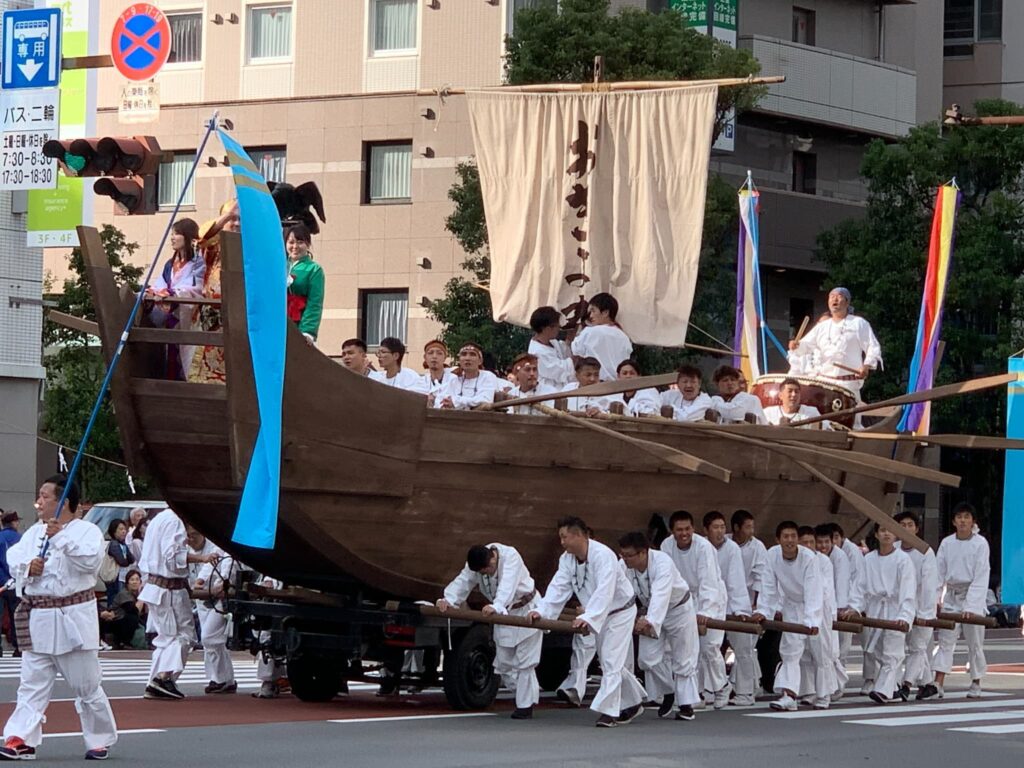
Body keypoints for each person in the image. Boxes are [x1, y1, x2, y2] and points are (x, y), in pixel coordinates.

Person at [0, 475, 117, 761]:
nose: (38, 502)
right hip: (39, 616)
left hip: (73, 618)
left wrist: (60, 537)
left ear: (62, 503)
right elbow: (14, 559)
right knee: (31, 683)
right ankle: (19, 738)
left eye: (44, 496)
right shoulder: (33, 532)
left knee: (86, 685)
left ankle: (99, 738)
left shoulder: (87, 531)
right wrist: (30, 567)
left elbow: (90, 562)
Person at [529, 516, 646, 728]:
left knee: (610, 660)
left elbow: (605, 590)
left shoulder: (603, 556)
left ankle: (609, 712)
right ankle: (634, 701)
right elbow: (559, 587)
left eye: (565, 537)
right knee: (610, 661)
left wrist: (589, 616)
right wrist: (542, 611)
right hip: (599, 612)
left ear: (579, 535)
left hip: (620, 611)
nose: (562, 542)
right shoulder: (566, 559)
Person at [437, 543, 542, 719]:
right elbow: (463, 581)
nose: (486, 572)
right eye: (482, 571)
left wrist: (497, 605)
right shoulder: (477, 565)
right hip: (502, 614)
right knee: (504, 663)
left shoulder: (510, 557)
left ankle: (525, 705)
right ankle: (527, 696)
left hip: (526, 609)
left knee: (525, 662)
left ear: (493, 557)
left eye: (489, 568)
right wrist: (448, 599)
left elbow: (507, 585)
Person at [619, 531, 700, 721]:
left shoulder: (662, 562)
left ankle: (686, 705)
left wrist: (650, 621)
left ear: (643, 553)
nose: (625, 559)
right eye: (623, 555)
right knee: (647, 659)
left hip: (678, 609)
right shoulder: (623, 565)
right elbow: (615, 588)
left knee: (683, 657)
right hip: (650, 611)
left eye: (629, 555)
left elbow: (661, 594)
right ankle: (668, 690)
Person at [139, 509, 217, 700]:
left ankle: (157, 681)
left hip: (156, 586)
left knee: (166, 638)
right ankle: (163, 677)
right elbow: (172, 557)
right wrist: (201, 558)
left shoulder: (159, 518)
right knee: (183, 636)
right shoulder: (175, 521)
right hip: (170, 589)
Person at [659, 511, 729, 708]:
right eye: (679, 530)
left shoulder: (704, 547)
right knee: (688, 649)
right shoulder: (666, 546)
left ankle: (721, 686)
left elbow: (709, 581)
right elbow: (666, 578)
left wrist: (705, 612)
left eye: (687, 529)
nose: (684, 533)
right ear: (672, 531)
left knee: (710, 647)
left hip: (711, 597)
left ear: (694, 529)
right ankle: (695, 693)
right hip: (683, 600)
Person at [752, 520, 824, 712]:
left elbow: (813, 590)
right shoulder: (772, 555)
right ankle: (789, 695)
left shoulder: (809, 558)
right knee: (790, 652)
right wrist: (763, 611)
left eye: (793, 536)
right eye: (786, 537)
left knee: (821, 653)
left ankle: (824, 693)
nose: (790, 540)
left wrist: (812, 620)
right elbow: (768, 587)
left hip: (815, 606)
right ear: (778, 539)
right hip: (791, 605)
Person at [932, 502, 990, 699]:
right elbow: (938, 573)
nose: (963, 520)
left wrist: (972, 607)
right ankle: (938, 682)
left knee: (974, 643)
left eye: (967, 517)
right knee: (946, 641)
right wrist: (935, 600)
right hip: (951, 596)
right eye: (959, 517)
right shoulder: (947, 543)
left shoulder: (980, 543)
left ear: (973, 521)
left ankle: (976, 681)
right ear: (954, 521)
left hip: (972, 595)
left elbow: (982, 575)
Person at [854, 524, 916, 705]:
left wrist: (905, 616)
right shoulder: (869, 559)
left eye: (889, 530)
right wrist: (855, 607)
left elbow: (907, 590)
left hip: (895, 609)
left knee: (892, 653)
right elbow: (860, 586)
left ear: (896, 534)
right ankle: (894, 688)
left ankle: (883, 691)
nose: (886, 534)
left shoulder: (903, 560)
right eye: (882, 530)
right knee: (880, 653)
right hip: (875, 609)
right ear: (876, 535)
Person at [787, 288, 882, 398]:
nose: (834, 299)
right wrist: (796, 345)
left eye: (839, 296)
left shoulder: (859, 323)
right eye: (831, 297)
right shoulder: (822, 326)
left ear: (847, 302)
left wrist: (866, 366)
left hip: (847, 385)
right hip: (824, 382)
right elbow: (805, 345)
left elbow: (873, 346)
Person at [703, 511, 755, 706]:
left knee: (743, 648)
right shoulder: (702, 546)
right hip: (708, 603)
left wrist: (741, 609)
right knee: (708, 648)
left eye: (722, 527)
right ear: (706, 530)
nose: (719, 531)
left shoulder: (731, 548)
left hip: (732, 602)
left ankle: (745, 691)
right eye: (715, 527)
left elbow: (736, 580)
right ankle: (709, 689)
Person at [145, 217, 205, 379]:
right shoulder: (169, 264)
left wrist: (172, 294)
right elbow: (160, 283)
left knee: (187, 358)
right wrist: (154, 292)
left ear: (188, 236)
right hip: (170, 316)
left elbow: (197, 287)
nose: (172, 238)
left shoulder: (199, 262)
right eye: (172, 234)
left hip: (187, 316)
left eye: (177, 234)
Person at [188, 200, 239, 384]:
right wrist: (227, 215)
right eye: (232, 219)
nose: (237, 223)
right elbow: (202, 236)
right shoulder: (214, 247)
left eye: (241, 219)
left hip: (239, 322)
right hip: (211, 321)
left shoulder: (251, 247)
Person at [894, 512, 941, 701]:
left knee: (917, 647)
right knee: (896, 647)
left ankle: (905, 685)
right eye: (902, 525)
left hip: (921, 606)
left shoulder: (925, 551)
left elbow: (929, 585)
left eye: (910, 525)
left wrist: (924, 612)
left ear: (917, 528)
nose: (906, 529)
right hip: (898, 607)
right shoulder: (894, 549)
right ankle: (928, 685)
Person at [729, 510, 769, 700]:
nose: (751, 531)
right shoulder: (726, 544)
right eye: (748, 527)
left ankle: (748, 688)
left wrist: (756, 604)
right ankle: (751, 682)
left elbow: (760, 576)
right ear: (736, 528)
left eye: (752, 527)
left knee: (745, 647)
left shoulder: (757, 546)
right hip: (723, 599)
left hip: (747, 599)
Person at [797, 526, 838, 709]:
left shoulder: (822, 561)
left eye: (810, 542)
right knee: (804, 654)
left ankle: (824, 694)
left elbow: (826, 590)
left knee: (822, 655)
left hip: (820, 611)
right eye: (804, 542)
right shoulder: (795, 560)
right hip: (798, 610)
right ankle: (808, 691)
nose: (808, 546)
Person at [814, 524, 854, 697]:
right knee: (821, 651)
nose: (823, 546)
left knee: (837, 651)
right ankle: (825, 686)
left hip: (838, 608)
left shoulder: (840, 556)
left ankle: (838, 685)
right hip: (819, 608)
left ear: (833, 542)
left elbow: (842, 583)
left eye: (826, 542)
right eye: (819, 542)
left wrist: (839, 609)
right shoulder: (814, 557)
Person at [193, 550, 237, 695]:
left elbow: (230, 571)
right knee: (213, 640)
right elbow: (213, 561)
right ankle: (224, 679)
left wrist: (222, 585)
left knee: (209, 638)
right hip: (219, 596)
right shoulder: (223, 549)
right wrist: (201, 580)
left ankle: (222, 679)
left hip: (230, 595)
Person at [570, 293, 632, 382]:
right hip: (617, 387)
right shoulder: (624, 337)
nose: (590, 316)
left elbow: (575, 352)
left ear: (605, 313)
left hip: (594, 384)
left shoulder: (589, 332)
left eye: (593, 311)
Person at [830, 522, 865, 678]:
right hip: (830, 605)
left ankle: (839, 680)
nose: (834, 541)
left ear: (842, 537)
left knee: (842, 647)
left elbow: (858, 580)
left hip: (847, 604)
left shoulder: (850, 552)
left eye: (837, 537)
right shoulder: (827, 554)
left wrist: (853, 606)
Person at [285, 223, 325, 345]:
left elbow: (315, 303)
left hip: (299, 321)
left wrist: (307, 331)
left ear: (308, 244)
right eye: (291, 242)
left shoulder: (314, 269)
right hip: (279, 320)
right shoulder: (280, 265)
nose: (295, 246)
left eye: (300, 242)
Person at [437, 343, 499, 410]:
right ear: (459, 360)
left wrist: (455, 402)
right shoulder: (454, 378)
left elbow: (485, 400)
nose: (467, 358)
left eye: (472, 354)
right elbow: (439, 400)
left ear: (480, 361)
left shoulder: (488, 376)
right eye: (464, 354)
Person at [528, 306, 576, 391]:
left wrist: (570, 337)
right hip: (550, 394)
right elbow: (560, 371)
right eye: (557, 326)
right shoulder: (536, 352)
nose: (559, 329)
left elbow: (565, 350)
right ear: (547, 329)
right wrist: (578, 359)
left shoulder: (552, 342)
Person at [100, 569, 146, 650]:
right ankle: (124, 642)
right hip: (115, 622)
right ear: (127, 583)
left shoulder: (136, 594)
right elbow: (135, 611)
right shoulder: (124, 594)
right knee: (132, 618)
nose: (135, 582)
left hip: (124, 622)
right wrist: (142, 596)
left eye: (137, 579)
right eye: (132, 580)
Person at [763, 378, 830, 429]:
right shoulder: (768, 413)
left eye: (796, 391)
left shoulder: (811, 412)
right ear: (780, 395)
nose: (794, 394)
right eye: (790, 391)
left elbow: (828, 429)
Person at [0, 511, 21, 657]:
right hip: (17, 582)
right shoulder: (21, 539)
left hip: (1, 583)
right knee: (17, 615)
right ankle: (18, 646)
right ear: (14, 522)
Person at [105, 519, 135, 605]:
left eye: (124, 529)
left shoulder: (122, 544)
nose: (124, 531)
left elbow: (131, 559)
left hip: (121, 577)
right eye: (120, 529)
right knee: (115, 599)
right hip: (115, 577)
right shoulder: (114, 544)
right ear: (114, 531)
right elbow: (122, 562)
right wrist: (127, 561)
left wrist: (127, 560)